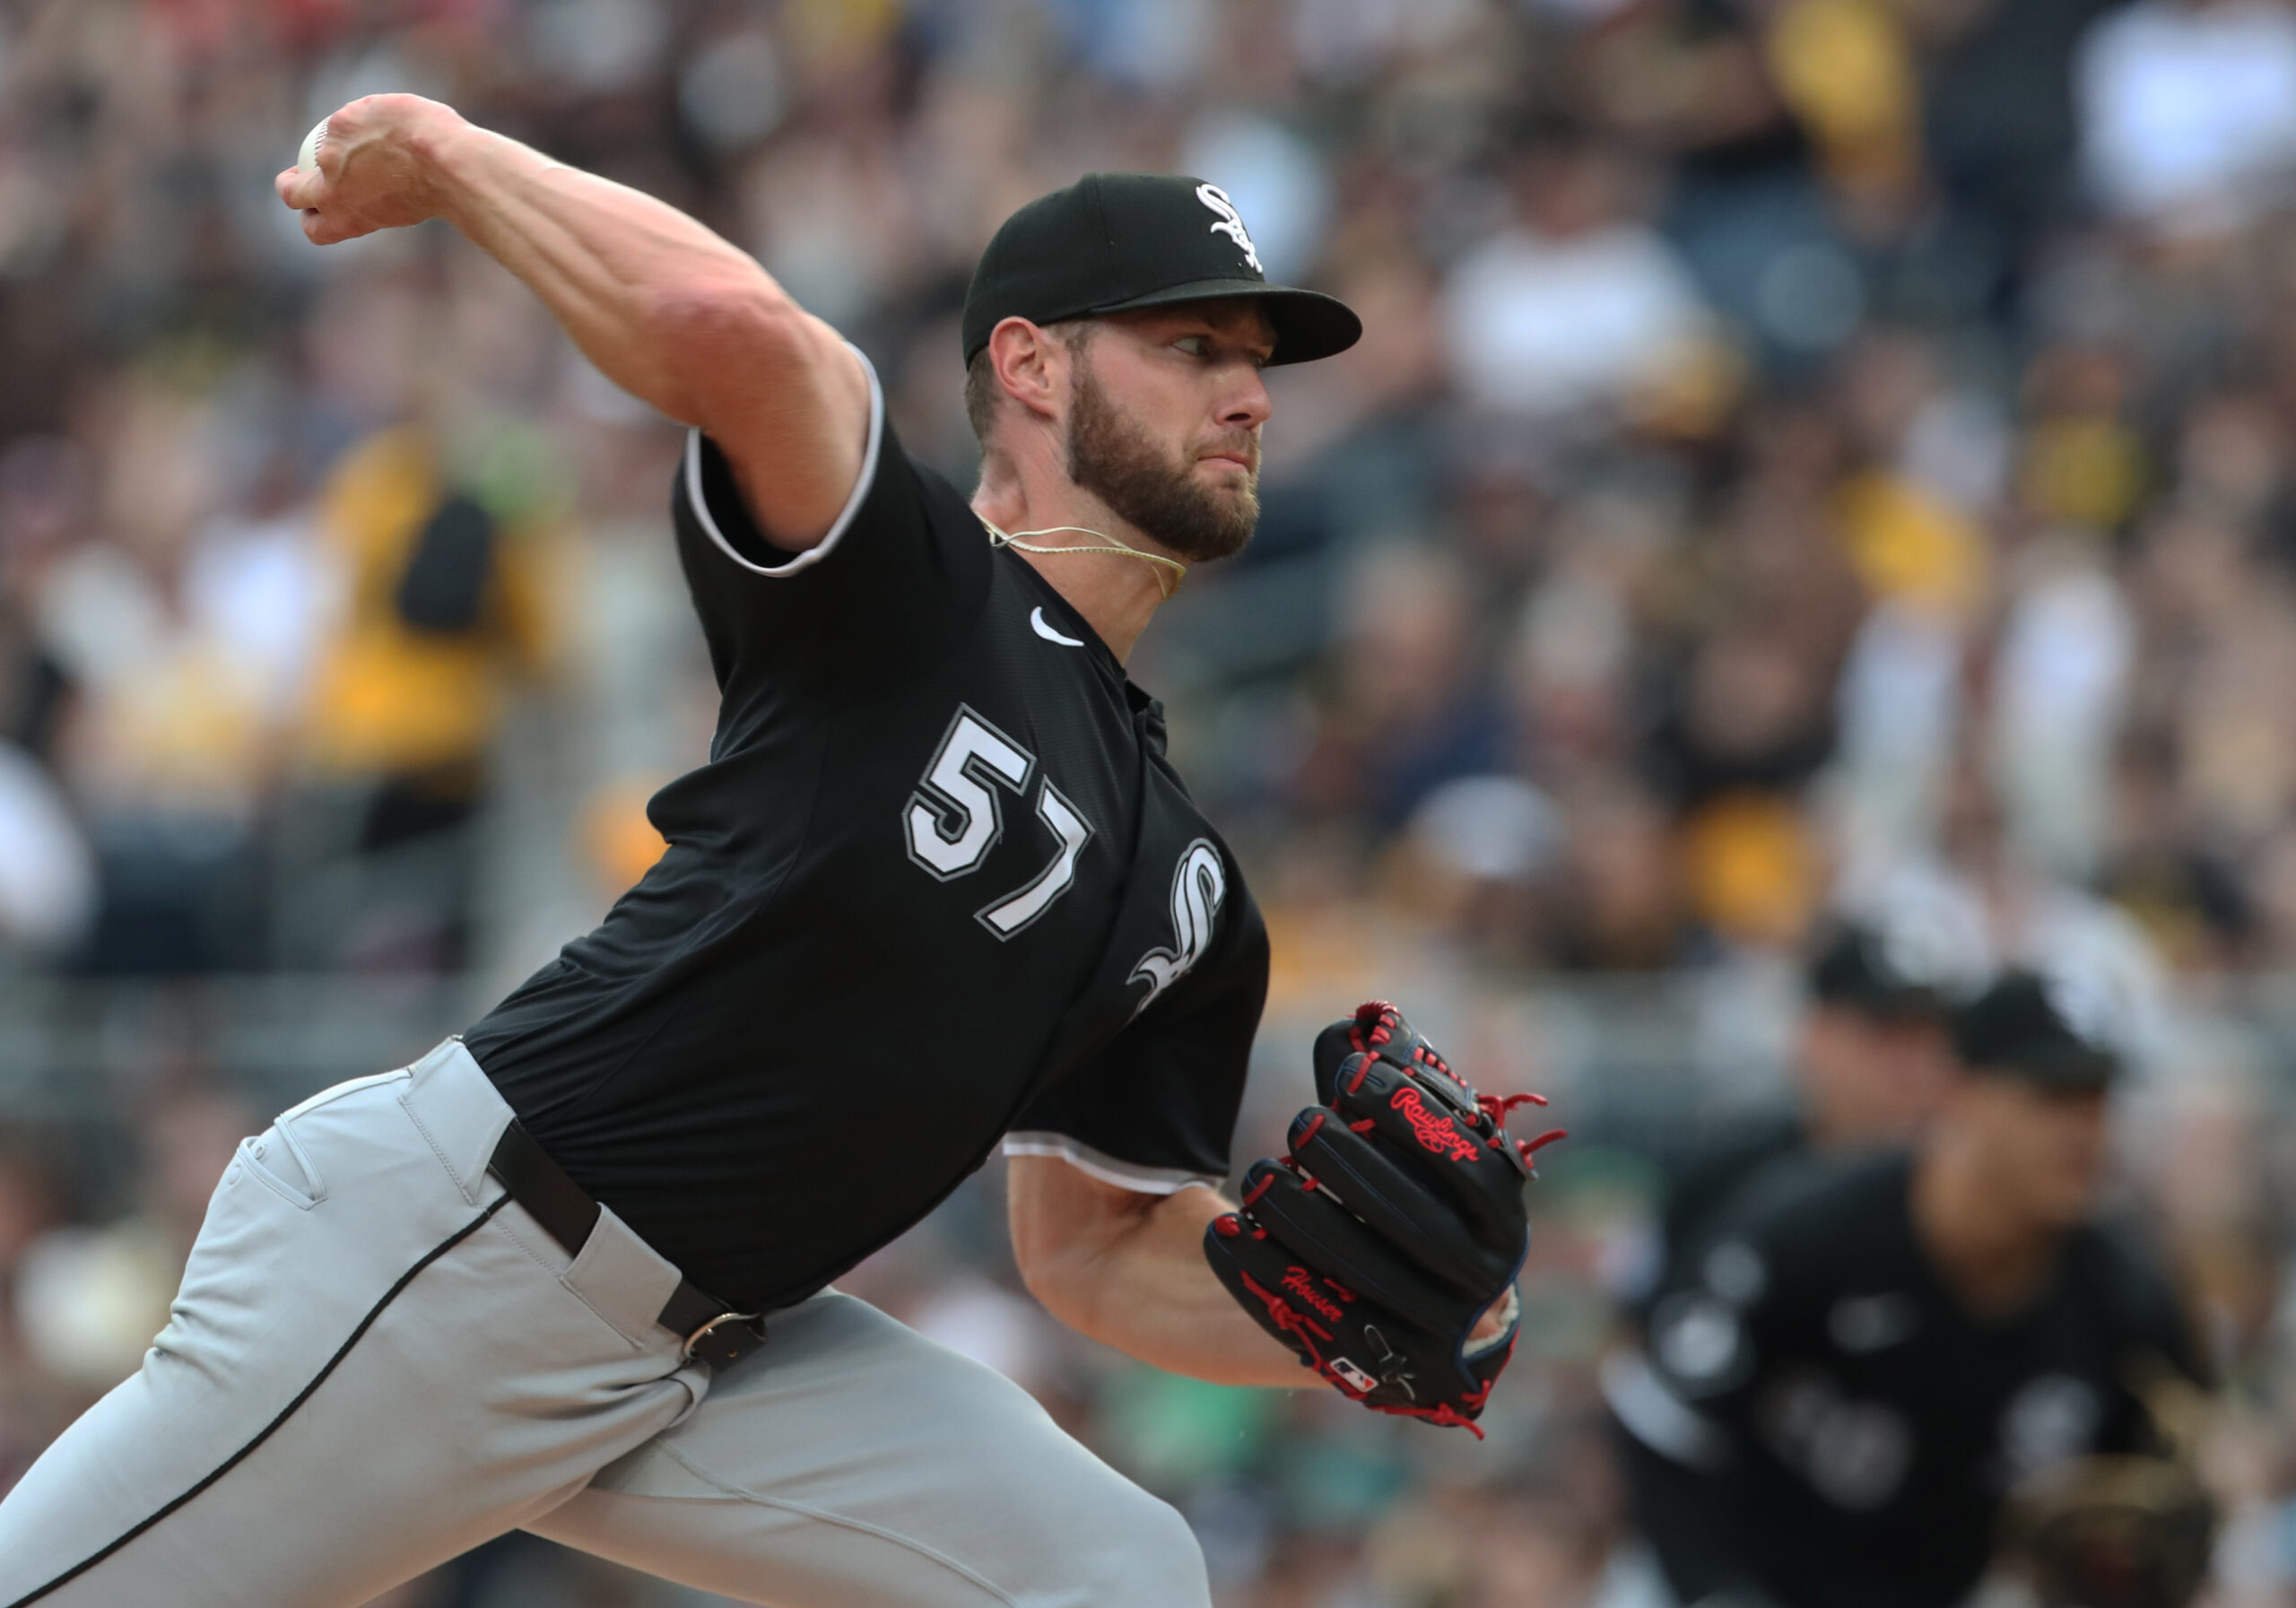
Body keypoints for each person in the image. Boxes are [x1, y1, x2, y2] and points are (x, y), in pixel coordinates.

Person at [0, 95, 1501, 1607]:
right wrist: (453, 156)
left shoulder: (1186, 878)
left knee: (1115, 1573)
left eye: (1256, 362)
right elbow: (734, 326)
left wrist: (1365, 1325)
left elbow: (1098, 1255)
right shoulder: (917, 584)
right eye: (1193, 348)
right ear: (1030, 364)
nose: (1246, 394)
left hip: (721, 1357)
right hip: (464, 1256)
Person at [1607, 969, 2206, 1608]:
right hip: (1750, 1572)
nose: (2085, 1131)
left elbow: (2155, 1504)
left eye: (2100, 1099)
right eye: (2053, 1096)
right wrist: (1714, 1591)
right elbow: (1659, 1420)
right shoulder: (1810, 1232)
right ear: (1961, 1089)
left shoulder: (2126, 1300)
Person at [1648, 916, 1966, 1290]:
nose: (1917, 1068)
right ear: (1814, 1037)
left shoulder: (1985, 1200)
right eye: (1887, 1035)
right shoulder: (1730, 1179)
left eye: (1936, 1041)